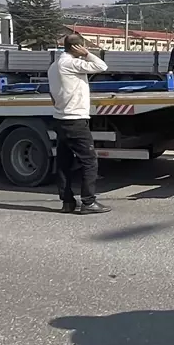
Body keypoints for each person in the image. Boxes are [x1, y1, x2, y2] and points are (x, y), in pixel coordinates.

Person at [48, 33, 111, 214]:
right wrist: (87, 54)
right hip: (74, 119)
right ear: (77, 47)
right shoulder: (71, 63)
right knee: (89, 161)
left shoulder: (53, 66)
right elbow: (102, 66)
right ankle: (88, 202)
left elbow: (52, 94)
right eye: (83, 46)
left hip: (60, 118)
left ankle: (67, 201)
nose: (85, 49)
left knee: (64, 162)